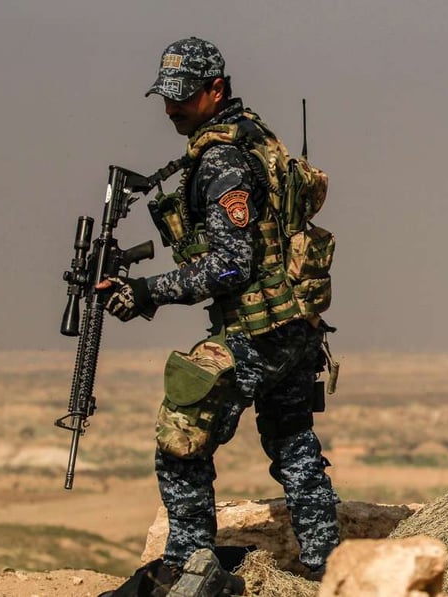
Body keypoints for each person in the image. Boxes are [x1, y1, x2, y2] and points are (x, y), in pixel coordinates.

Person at [97, 37, 340, 593]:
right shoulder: (258, 138)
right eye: (166, 97)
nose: (170, 109)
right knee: (295, 444)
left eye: (182, 97)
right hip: (297, 325)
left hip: (260, 328)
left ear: (216, 89)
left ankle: (188, 568)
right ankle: (330, 571)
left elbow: (231, 266)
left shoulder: (223, 158)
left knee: (180, 435)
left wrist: (146, 292)